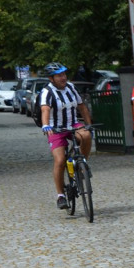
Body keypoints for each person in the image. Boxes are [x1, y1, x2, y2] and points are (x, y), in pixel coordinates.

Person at [39, 62, 93, 210]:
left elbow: (81, 106)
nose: (63, 77)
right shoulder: (47, 92)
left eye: (64, 74)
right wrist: (46, 125)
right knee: (60, 160)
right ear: (51, 78)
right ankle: (61, 196)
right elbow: (45, 110)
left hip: (73, 124)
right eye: (59, 75)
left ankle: (82, 164)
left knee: (87, 135)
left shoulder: (70, 87)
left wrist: (88, 124)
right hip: (55, 128)